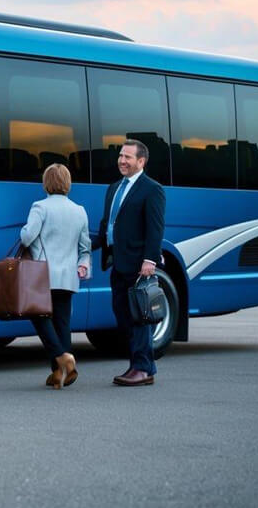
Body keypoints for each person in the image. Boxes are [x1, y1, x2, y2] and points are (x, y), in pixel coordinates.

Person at [93, 139, 166, 386]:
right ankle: (142, 365)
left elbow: (155, 229)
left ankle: (143, 369)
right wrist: (82, 245)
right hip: (117, 262)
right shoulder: (114, 188)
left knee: (138, 317)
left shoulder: (151, 189)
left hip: (137, 264)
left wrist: (149, 260)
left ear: (141, 161)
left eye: (128, 157)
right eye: (121, 156)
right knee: (122, 315)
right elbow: (107, 227)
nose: (122, 161)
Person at [19, 163, 91, 389]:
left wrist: (22, 231)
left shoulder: (40, 207)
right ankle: (59, 373)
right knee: (62, 322)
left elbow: (27, 237)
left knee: (38, 316)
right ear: (67, 183)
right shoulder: (79, 210)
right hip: (68, 276)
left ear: (46, 183)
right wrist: (82, 265)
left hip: (43, 274)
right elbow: (85, 247)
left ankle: (63, 357)